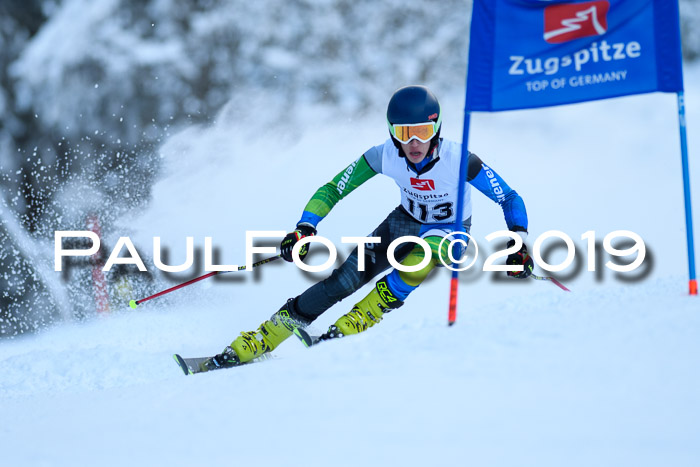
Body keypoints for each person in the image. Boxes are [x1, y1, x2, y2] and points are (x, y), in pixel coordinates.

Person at [207, 85, 533, 369]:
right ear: (393, 132)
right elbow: (334, 189)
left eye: (423, 131)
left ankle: (360, 317)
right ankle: (265, 337)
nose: (415, 142)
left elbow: (509, 196)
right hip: (404, 221)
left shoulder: (459, 158)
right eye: (405, 133)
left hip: (451, 229)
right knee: (340, 282)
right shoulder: (383, 156)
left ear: (437, 128)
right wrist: (305, 227)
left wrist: (518, 243)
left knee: (423, 255)